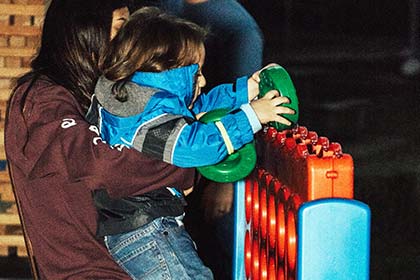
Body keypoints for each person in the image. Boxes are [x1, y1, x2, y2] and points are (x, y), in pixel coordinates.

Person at [87, 7, 293, 279]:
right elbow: (197, 145)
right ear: (167, 71)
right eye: (196, 74)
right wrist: (253, 116)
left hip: (139, 230)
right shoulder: (147, 118)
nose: (203, 80)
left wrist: (245, 91)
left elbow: (198, 106)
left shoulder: (135, 95)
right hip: (147, 232)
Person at [4, 0, 201, 279]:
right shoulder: (43, 100)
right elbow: (102, 165)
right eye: (122, 29)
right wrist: (179, 163)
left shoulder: (94, 96)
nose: (130, 41)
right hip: (91, 271)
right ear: (86, 32)